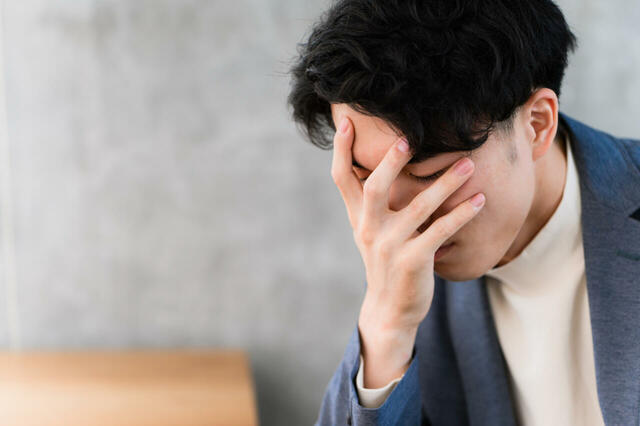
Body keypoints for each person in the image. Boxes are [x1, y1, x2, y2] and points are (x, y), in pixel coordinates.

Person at [287, 1, 640, 424]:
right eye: (367, 177)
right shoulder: (405, 277)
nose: (400, 221)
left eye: (429, 175)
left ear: (536, 125)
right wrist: (386, 327)